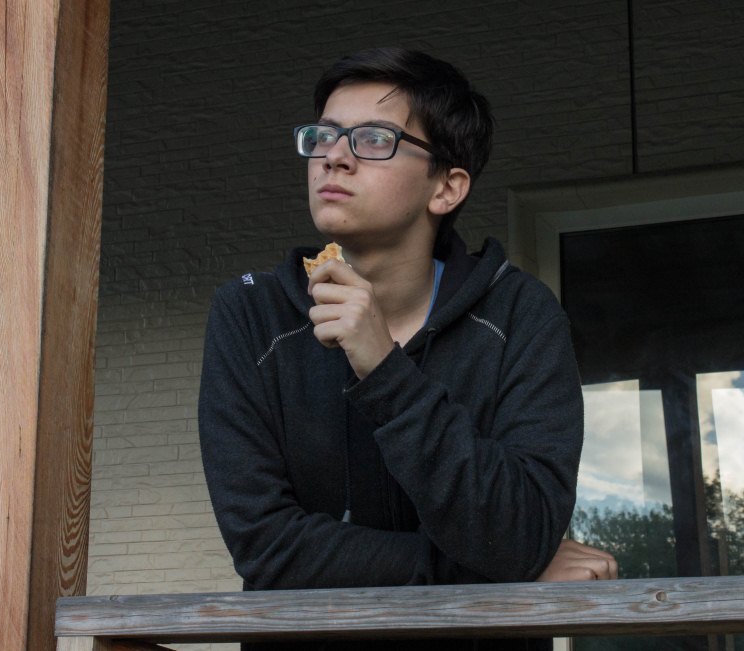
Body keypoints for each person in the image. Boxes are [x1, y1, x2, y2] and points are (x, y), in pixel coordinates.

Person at [198, 47, 615, 650]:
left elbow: (517, 530)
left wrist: (383, 370)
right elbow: (267, 547)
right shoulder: (251, 315)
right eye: (323, 136)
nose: (333, 157)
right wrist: (491, 573)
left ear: (446, 187)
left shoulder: (519, 315)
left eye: (373, 139)